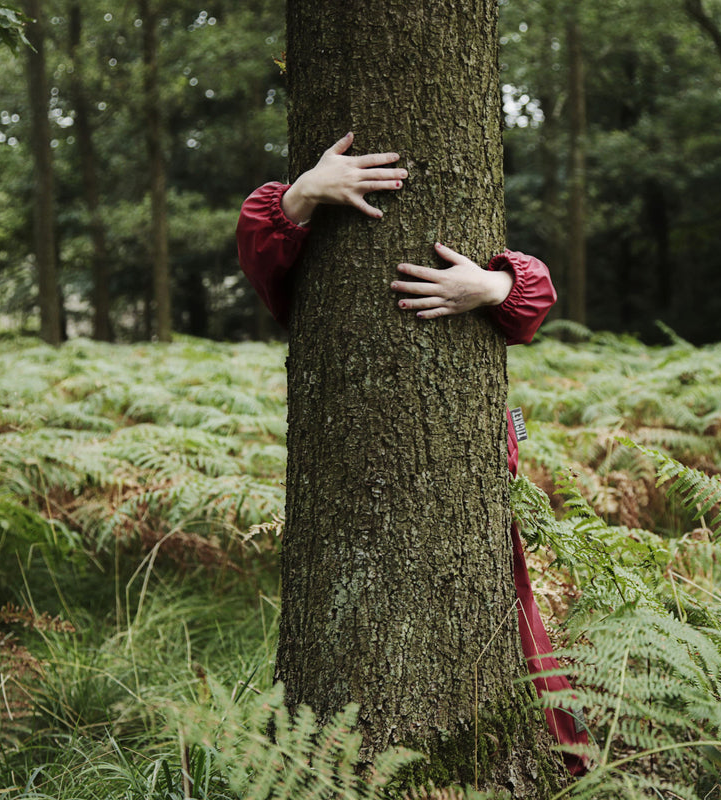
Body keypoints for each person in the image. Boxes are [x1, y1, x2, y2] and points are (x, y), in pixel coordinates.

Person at [236, 132, 589, 775]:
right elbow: (262, 258)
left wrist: (490, 286)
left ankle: (560, 761)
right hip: (353, 481)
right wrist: (304, 194)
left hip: (478, 477)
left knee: (518, 626)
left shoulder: (488, 270)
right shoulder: (302, 253)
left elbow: (534, 300)